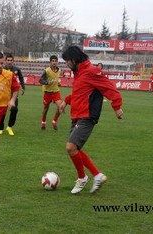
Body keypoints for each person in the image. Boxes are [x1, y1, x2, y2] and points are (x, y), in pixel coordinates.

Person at [59, 46, 123, 194]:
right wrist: (67, 101)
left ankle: (82, 178)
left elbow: (109, 88)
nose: (67, 64)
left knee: (70, 147)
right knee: (75, 149)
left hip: (87, 116)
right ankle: (96, 175)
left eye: (67, 61)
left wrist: (116, 105)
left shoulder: (91, 71)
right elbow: (80, 92)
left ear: (74, 59)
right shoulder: (79, 72)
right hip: (76, 115)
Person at [0, 53, 26, 136]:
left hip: (14, 94)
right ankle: (1, 128)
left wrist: (23, 87)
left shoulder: (17, 69)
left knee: (14, 110)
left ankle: (9, 127)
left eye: (11, 60)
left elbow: (21, 78)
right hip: (3, 93)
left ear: (13, 61)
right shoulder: (1, 69)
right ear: (6, 61)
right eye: (8, 60)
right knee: (2, 111)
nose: (9, 62)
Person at [39, 55, 63, 130]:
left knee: (60, 108)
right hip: (48, 93)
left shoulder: (59, 70)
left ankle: (54, 121)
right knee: (46, 109)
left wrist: (58, 83)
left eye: (55, 61)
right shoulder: (47, 71)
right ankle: (43, 122)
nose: (54, 62)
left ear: (57, 62)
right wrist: (46, 82)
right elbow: (40, 80)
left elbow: (56, 79)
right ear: (50, 62)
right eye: (52, 61)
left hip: (56, 92)